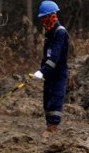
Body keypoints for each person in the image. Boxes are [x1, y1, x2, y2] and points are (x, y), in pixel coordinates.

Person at [32, 1, 69, 138]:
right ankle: (49, 126)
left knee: (55, 99)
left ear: (52, 16)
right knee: (47, 99)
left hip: (58, 73)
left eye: (44, 17)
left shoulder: (60, 33)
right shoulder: (49, 33)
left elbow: (55, 57)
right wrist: (42, 70)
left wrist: (43, 71)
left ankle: (52, 128)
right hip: (50, 74)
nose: (43, 21)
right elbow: (46, 55)